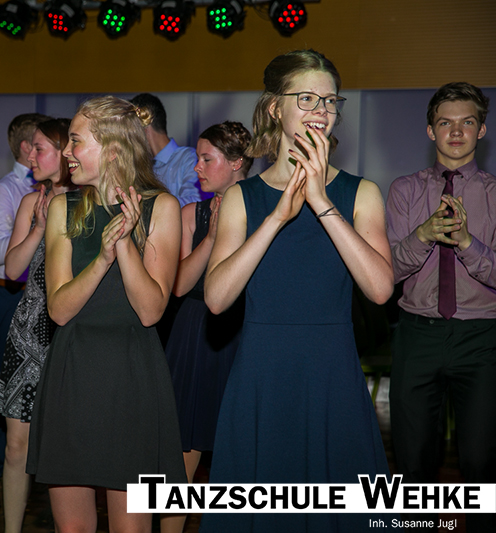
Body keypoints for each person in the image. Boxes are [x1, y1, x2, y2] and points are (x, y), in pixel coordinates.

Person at [201, 50, 394, 532]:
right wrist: (276, 219)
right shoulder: (242, 197)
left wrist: (322, 202)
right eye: (307, 98)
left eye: (330, 100)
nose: (321, 110)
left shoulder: (361, 193)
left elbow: (379, 290)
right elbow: (217, 299)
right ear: (275, 107)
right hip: (262, 374)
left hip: (332, 374)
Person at [26, 96, 187, 532]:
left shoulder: (162, 208)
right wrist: (101, 258)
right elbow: (59, 310)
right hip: (73, 372)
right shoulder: (63, 207)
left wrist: (125, 243)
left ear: (113, 149)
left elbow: (151, 311)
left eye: (76, 141)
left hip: (132, 376)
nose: (66, 152)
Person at [387, 82, 496, 533]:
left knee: (482, 463)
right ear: (430, 131)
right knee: (412, 463)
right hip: (417, 334)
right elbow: (387, 272)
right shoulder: (403, 190)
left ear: (482, 130)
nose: (456, 131)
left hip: (483, 339)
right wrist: (423, 235)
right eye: (445, 123)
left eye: (467, 122)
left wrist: (468, 243)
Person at [161, 121, 252, 533]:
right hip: (196, 334)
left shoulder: (266, 212)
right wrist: (211, 238)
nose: (196, 167)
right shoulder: (190, 213)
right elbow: (178, 285)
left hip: (247, 333)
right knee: (182, 457)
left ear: (236, 163)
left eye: (205, 158)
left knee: (244, 457)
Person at [0, 118, 75, 533]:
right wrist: (40, 227)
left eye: (40, 149)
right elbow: (12, 269)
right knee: (16, 446)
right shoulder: (31, 202)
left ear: (65, 152)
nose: (31, 156)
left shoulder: (88, 203)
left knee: (67, 444)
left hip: (72, 329)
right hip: (29, 331)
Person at [0, 112, 51, 509]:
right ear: (26, 147)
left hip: (46, 301)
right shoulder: (7, 189)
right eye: (37, 145)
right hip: (10, 296)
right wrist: (33, 228)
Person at [130, 93, 202, 207]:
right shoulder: (141, 165)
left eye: (131, 130)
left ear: (144, 126)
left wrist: (152, 205)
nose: (129, 138)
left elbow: (196, 203)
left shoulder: (189, 158)